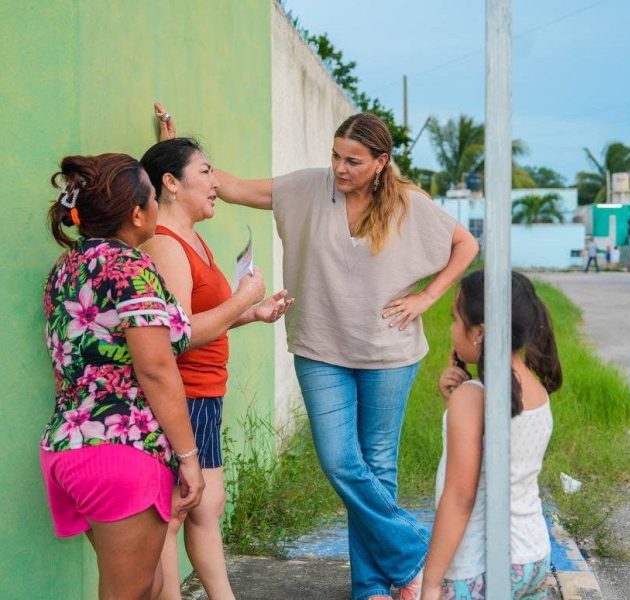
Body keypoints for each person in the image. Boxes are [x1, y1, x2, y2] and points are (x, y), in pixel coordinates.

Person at [156, 105, 479, 600]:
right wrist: (177, 158)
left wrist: (425, 298)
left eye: (353, 160)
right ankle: (418, 554)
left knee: (377, 467)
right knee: (339, 460)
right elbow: (236, 186)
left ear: (380, 162)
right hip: (320, 347)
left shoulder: (408, 203)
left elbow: (466, 245)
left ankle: (372, 586)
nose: (340, 168)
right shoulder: (307, 187)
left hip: (389, 352)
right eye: (335, 156)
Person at [40, 153, 205, 599]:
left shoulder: (66, 269)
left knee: (147, 586)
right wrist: (189, 457)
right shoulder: (131, 267)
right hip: (121, 451)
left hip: (69, 449)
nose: (157, 206)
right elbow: (154, 368)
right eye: (154, 198)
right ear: (137, 213)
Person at [139, 135, 292, 600]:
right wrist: (242, 299)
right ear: (170, 183)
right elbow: (177, 333)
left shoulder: (192, 238)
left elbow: (199, 318)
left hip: (205, 392)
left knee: (205, 506)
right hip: (182, 393)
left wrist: (252, 312)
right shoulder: (165, 246)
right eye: (205, 172)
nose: (215, 182)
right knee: (175, 511)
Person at [422, 270, 559, 600]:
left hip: (480, 566)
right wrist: (452, 402)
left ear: (479, 333)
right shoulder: (535, 387)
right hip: (532, 556)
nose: (451, 330)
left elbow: (460, 497)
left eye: (455, 320)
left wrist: (430, 581)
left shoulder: (473, 398)